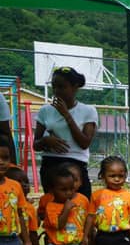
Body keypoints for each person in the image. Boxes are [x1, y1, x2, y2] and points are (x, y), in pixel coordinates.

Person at [33, 67, 97, 198]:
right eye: (54, 86)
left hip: (76, 164)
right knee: (53, 208)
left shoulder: (88, 110)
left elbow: (84, 143)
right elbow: (36, 145)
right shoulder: (45, 110)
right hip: (50, 164)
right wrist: (46, 141)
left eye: (62, 87)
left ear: (75, 87)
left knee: (80, 205)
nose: (56, 91)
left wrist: (67, 115)